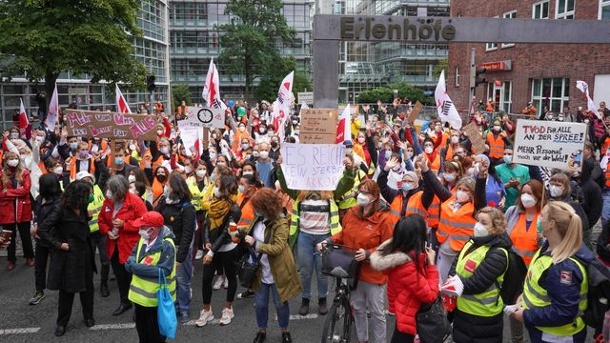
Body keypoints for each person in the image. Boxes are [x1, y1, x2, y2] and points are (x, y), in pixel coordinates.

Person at [318, 179, 395, 343]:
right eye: (360, 191)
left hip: (373, 273)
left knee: (377, 312)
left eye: (366, 192)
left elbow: (389, 246)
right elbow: (343, 234)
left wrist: (369, 254)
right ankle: (362, 339)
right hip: (352, 269)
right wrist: (329, 240)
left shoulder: (385, 218)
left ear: (374, 197)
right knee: (358, 308)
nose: (362, 195)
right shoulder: (352, 212)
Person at [510, 201, 595, 343]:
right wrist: (524, 298)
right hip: (542, 329)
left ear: (551, 224)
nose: (539, 218)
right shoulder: (548, 245)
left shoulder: (563, 267)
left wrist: (526, 316)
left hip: (556, 336)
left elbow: (563, 312)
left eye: (542, 216)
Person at [242, 188, 302, 343]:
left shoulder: (281, 223)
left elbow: (278, 248)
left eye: (257, 207)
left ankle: (285, 331)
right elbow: (249, 230)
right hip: (261, 270)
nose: (255, 209)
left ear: (266, 208)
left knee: (280, 303)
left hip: (278, 270)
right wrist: (238, 231)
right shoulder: (258, 219)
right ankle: (261, 331)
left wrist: (256, 244)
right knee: (261, 304)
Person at [38, 181, 96, 337]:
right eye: (88, 193)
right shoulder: (60, 209)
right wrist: (59, 244)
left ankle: (88, 316)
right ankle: (62, 323)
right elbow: (43, 229)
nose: (91, 196)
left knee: (87, 288)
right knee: (67, 291)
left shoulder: (82, 207)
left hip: (84, 252)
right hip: (69, 255)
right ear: (79, 195)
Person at [369, 215, 439, 343]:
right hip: (411, 320)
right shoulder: (407, 266)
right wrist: (432, 266)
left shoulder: (398, 254)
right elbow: (430, 295)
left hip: (405, 313)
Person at [447, 207, 512, 343]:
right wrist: (451, 279)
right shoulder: (473, 241)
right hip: (462, 310)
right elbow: (456, 263)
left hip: (482, 317)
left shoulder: (498, 253)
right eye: (478, 220)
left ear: (496, 227)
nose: (478, 225)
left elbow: (477, 284)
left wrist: (451, 285)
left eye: (484, 222)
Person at [98, 175, 148, 317]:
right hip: (114, 246)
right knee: (120, 276)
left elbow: (144, 222)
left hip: (130, 246)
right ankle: (125, 302)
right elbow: (101, 219)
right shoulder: (108, 201)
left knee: (135, 277)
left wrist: (125, 225)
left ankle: (139, 308)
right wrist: (107, 231)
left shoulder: (135, 201)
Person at [196, 175, 241, 327]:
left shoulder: (234, 208)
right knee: (206, 279)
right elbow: (207, 224)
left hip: (228, 248)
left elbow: (226, 233)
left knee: (231, 277)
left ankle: (228, 307)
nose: (214, 188)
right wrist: (207, 241)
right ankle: (206, 310)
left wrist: (211, 252)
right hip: (212, 247)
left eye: (218, 185)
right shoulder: (212, 203)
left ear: (226, 189)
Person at [125, 211, 176, 343]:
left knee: (155, 336)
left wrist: (135, 268)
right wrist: (130, 262)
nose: (140, 229)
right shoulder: (144, 239)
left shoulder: (167, 245)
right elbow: (133, 254)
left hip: (155, 300)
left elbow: (164, 271)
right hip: (139, 299)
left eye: (142, 227)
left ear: (152, 229)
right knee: (142, 333)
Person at [155, 171, 196, 322]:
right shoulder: (166, 203)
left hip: (179, 248)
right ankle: (174, 305)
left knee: (182, 281)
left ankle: (184, 307)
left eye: (169, 185)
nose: (166, 187)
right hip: (166, 247)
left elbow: (187, 235)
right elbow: (155, 215)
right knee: (169, 280)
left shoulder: (187, 208)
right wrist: (161, 201)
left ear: (175, 187)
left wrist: (181, 257)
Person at [29, 174, 63, 305]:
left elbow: (55, 220)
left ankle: (63, 290)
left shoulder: (59, 201)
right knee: (39, 267)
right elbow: (36, 214)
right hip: (41, 239)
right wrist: (35, 224)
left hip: (53, 238)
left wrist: (40, 231)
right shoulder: (39, 198)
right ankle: (39, 290)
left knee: (58, 265)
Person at [0, 151, 35, 270]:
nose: (14, 160)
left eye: (16, 158)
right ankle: (11, 259)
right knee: (9, 236)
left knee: (25, 235)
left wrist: (7, 193)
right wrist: (14, 194)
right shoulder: (1, 174)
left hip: (23, 207)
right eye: (11, 158)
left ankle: (29, 257)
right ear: (6, 161)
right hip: (7, 209)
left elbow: (26, 190)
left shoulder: (24, 172)